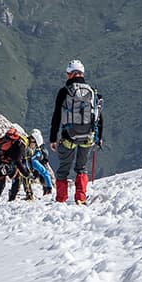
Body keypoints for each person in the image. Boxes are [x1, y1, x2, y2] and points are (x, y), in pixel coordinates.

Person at [50, 59, 103, 204]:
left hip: (68, 137)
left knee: (63, 169)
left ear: (69, 74)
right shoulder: (92, 91)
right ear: (82, 73)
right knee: (81, 167)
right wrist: (99, 137)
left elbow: (57, 116)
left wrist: (52, 138)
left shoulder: (64, 91)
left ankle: (61, 199)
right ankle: (80, 197)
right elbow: (98, 116)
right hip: (87, 137)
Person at [0, 124, 30, 204]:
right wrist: (26, 174)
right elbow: (18, 161)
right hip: (7, 165)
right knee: (16, 179)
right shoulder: (19, 145)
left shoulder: (2, 140)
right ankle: (11, 201)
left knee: (1, 185)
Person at [26, 129, 54, 197]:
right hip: (36, 161)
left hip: (32, 161)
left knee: (29, 176)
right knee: (44, 174)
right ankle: (48, 189)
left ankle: (30, 192)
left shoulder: (30, 144)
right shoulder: (40, 144)